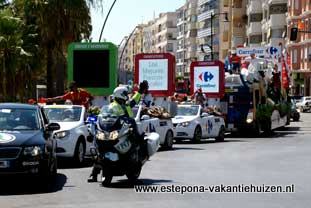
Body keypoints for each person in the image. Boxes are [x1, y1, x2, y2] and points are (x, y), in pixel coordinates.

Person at [87, 81, 149, 183]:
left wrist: (140, 91)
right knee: (100, 150)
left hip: (126, 131)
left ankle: (135, 165)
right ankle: (94, 174)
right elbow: (104, 117)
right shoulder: (112, 106)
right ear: (120, 95)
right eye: (125, 94)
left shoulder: (126, 105)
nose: (127, 96)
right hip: (112, 131)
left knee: (135, 144)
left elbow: (134, 101)